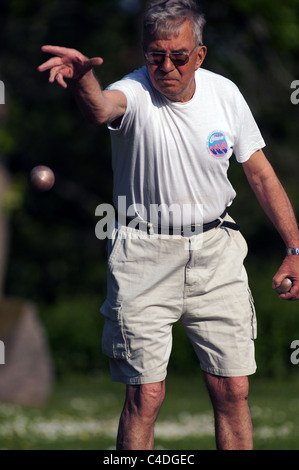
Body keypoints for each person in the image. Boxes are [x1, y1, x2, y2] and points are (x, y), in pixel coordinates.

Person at [38, 0, 299, 450]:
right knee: (146, 394)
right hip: (143, 252)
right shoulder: (134, 92)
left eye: (178, 56)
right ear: (144, 53)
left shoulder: (225, 94)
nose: (166, 66)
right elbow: (101, 108)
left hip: (217, 250)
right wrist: (84, 79)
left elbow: (259, 172)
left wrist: (295, 249)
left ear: (199, 55)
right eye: (155, 55)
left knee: (233, 390)